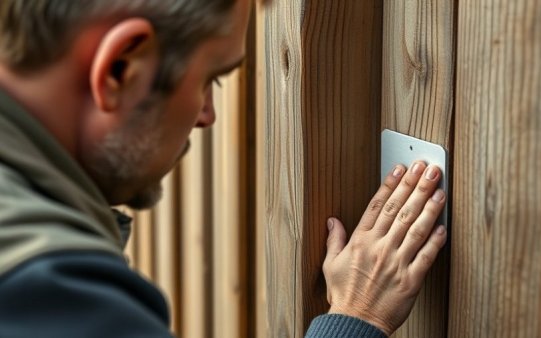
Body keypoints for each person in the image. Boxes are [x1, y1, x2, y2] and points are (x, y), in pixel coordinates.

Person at [0, 0, 447, 337]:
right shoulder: (57, 296)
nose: (207, 115)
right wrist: (358, 318)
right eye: (208, 78)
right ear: (120, 67)